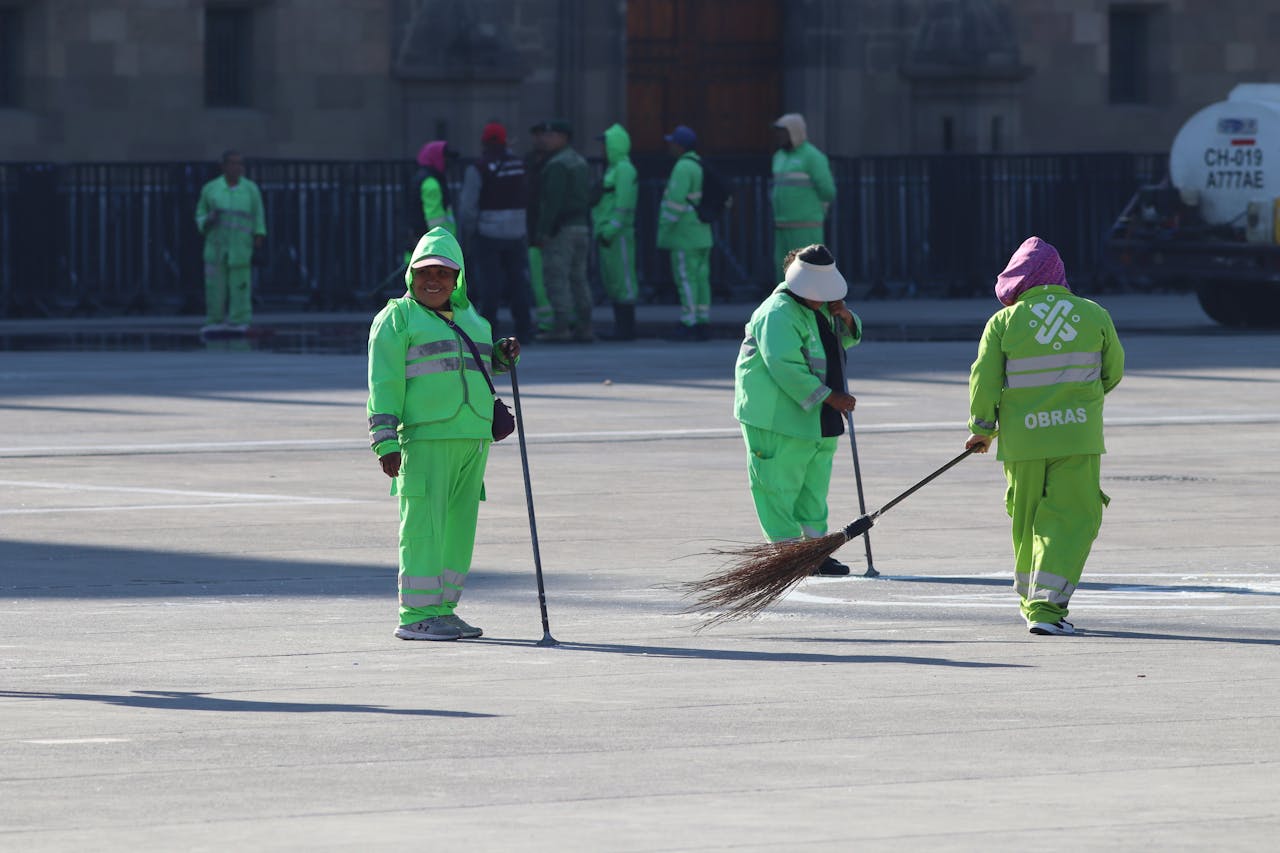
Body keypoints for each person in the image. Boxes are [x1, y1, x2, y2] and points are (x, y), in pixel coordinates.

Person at [965, 236, 1125, 636]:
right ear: (1058, 275)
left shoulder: (1003, 322)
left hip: (1023, 442)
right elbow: (1113, 371)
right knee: (1072, 518)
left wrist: (982, 430)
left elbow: (983, 382)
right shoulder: (1093, 314)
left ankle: (1030, 603)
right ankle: (1047, 607)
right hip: (1076, 437)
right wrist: (1079, 401)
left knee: (1026, 520)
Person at [367, 226, 521, 641]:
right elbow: (385, 384)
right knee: (423, 527)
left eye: (443, 274)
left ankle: (444, 608)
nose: (432, 281)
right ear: (410, 276)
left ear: (458, 280)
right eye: (424, 273)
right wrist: (384, 441)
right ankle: (416, 613)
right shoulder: (396, 319)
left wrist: (503, 358)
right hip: (425, 439)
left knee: (457, 529)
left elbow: (480, 370)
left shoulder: (475, 320)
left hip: (473, 436)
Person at [734, 244, 862, 577]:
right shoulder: (777, 312)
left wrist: (846, 317)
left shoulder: (820, 309)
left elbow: (842, 340)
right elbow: (786, 366)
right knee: (777, 484)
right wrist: (830, 397)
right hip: (778, 417)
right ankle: (787, 553)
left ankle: (815, 550)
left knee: (814, 485)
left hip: (818, 417)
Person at [458, 121, 533, 341]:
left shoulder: (479, 168)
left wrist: (469, 234)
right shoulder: (519, 165)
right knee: (519, 281)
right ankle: (524, 329)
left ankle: (488, 331)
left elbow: (467, 208)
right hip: (517, 232)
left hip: (488, 232)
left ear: (483, 141)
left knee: (490, 284)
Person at [531, 119, 593, 343]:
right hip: (581, 226)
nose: (546, 140)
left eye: (551, 135)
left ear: (563, 138)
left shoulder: (557, 164)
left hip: (561, 230)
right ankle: (585, 326)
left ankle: (562, 326)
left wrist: (543, 232)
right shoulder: (580, 162)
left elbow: (551, 203)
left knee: (557, 277)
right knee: (579, 277)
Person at [194, 149, 266, 333]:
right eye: (233, 163)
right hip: (216, 246)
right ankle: (214, 320)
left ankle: (240, 319)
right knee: (214, 287)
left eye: (240, 163)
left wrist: (259, 235)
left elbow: (258, 215)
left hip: (240, 246)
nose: (237, 167)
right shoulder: (211, 189)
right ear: (224, 166)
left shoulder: (250, 189)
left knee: (240, 285)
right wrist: (207, 220)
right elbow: (200, 214)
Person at [657, 125, 713, 340]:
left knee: (685, 279)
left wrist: (664, 227)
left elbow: (674, 204)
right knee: (701, 279)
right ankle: (702, 319)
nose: (669, 146)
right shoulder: (699, 163)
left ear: (679, 146)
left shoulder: (682, 167)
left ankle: (688, 321)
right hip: (702, 233)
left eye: (672, 142)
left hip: (684, 234)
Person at [771, 113, 837, 281]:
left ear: (795, 132)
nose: (779, 136)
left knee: (808, 272)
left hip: (806, 226)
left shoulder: (813, 157)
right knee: (784, 273)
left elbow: (828, 191)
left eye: (783, 132)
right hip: (782, 225)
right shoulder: (778, 156)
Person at [591, 123, 640, 340]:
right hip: (607, 234)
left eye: (605, 143)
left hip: (617, 234)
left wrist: (611, 229)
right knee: (614, 281)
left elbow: (624, 204)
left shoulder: (624, 170)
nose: (601, 148)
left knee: (624, 281)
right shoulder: (614, 169)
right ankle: (620, 328)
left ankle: (626, 329)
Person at [524, 123, 555, 335]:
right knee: (539, 279)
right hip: (533, 227)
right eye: (538, 135)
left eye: (545, 135)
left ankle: (553, 321)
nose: (541, 140)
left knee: (550, 278)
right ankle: (548, 321)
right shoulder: (531, 161)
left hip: (547, 228)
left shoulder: (554, 162)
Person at [408, 140, 457, 251]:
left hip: (425, 246)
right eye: (445, 158)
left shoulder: (425, 179)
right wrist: (444, 245)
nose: (448, 162)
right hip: (432, 248)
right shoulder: (431, 183)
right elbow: (435, 220)